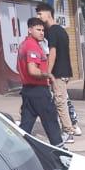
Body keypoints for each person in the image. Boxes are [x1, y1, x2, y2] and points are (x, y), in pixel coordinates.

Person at [35, 3, 80, 141]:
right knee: (62, 100)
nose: (38, 16)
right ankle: (72, 126)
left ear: (48, 13)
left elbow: (53, 53)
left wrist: (48, 72)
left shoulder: (53, 31)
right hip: (64, 71)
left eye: (40, 13)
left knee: (60, 102)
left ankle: (68, 132)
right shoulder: (60, 30)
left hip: (58, 73)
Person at [17, 17, 63, 148]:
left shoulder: (23, 45)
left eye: (43, 30)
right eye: (38, 30)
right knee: (51, 121)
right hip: (38, 91)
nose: (42, 32)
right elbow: (32, 70)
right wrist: (48, 75)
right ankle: (60, 150)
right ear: (30, 30)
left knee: (25, 125)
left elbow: (20, 68)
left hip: (27, 90)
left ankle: (15, 149)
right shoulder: (32, 45)